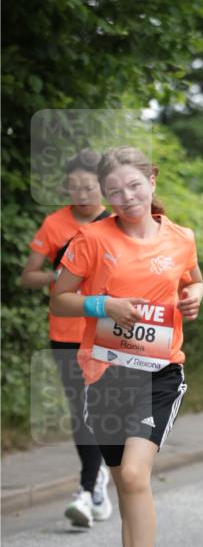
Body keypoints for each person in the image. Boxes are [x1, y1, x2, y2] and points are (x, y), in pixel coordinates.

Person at [52, 146, 203, 547]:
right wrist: (106, 304)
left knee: (135, 476)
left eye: (134, 186)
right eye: (114, 191)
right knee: (124, 482)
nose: (126, 197)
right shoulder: (91, 239)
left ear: (152, 179)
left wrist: (195, 297)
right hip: (106, 374)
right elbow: (62, 298)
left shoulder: (181, 238)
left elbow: (193, 283)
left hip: (159, 374)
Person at [21, 149, 112, 527]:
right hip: (65, 331)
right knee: (81, 412)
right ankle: (92, 486)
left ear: (103, 187)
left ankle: (92, 484)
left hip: (107, 330)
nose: (81, 194)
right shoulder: (54, 224)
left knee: (100, 411)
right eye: (73, 187)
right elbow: (30, 276)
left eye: (88, 186)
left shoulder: (116, 224)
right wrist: (62, 277)